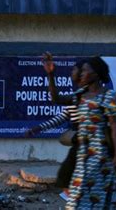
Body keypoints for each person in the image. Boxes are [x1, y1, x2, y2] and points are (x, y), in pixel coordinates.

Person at [47, 55, 116, 209]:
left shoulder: (110, 97)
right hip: (83, 158)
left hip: (101, 159)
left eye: (84, 71)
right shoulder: (81, 96)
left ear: (95, 74)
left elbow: (115, 127)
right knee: (76, 201)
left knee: (97, 201)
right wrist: (51, 74)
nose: (80, 74)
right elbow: (56, 99)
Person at [24, 58, 87, 201]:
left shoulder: (97, 96)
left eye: (75, 70)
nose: (72, 73)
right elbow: (61, 115)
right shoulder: (76, 97)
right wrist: (38, 128)